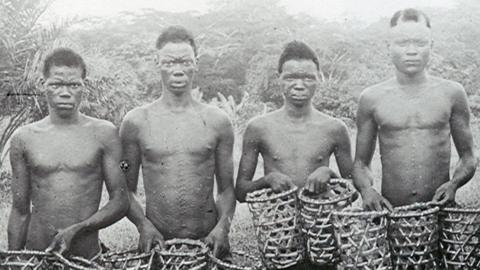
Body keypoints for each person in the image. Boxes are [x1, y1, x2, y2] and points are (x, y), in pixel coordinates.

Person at [120, 26, 236, 258]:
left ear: (196, 62)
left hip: (209, 243)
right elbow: (126, 190)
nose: (178, 70)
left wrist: (223, 227)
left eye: (184, 62)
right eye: (169, 62)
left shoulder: (218, 121)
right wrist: (143, 225)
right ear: (157, 63)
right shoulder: (136, 122)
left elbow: (226, 190)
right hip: (158, 245)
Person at [235, 40, 353, 269]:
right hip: (280, 235)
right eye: (290, 77)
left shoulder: (335, 128)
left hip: (323, 232)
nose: (299, 85)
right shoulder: (259, 127)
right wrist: (267, 180)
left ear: (319, 77)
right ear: (278, 77)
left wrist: (328, 172)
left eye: (308, 77)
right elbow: (241, 191)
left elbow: (352, 190)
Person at [7, 48, 129, 259]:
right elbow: (19, 211)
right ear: (43, 86)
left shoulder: (104, 133)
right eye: (56, 84)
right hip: (37, 257)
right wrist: (12, 259)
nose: (65, 92)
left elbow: (120, 201)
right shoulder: (24, 138)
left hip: (86, 258)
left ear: (84, 87)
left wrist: (79, 229)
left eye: (74, 85)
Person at [353, 8, 477, 211]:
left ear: (431, 46)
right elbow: (360, 163)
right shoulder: (371, 98)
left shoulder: (452, 93)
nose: (411, 51)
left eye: (420, 43)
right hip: (392, 213)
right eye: (402, 43)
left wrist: (454, 184)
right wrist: (367, 191)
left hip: (440, 211)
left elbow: (469, 156)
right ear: (388, 47)